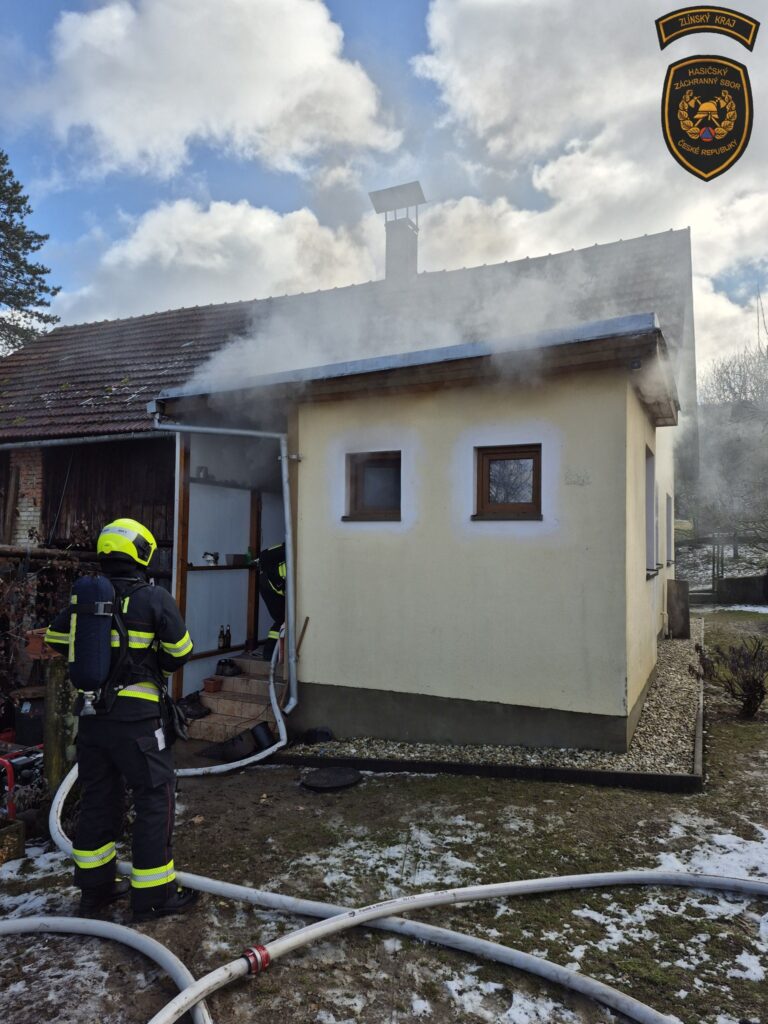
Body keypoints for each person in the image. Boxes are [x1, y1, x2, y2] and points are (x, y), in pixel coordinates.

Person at [45, 517, 197, 921]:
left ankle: (94, 892)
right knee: (154, 798)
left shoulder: (86, 597)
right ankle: (153, 896)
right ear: (142, 552)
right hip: (139, 724)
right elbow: (180, 652)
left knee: (98, 798)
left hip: (93, 719)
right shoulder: (154, 598)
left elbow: (56, 639)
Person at [256, 541, 286, 659]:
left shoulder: (283, 550)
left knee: (283, 618)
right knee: (281, 619)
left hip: (271, 584)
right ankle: (270, 653)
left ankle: (274, 653)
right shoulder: (287, 554)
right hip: (269, 588)